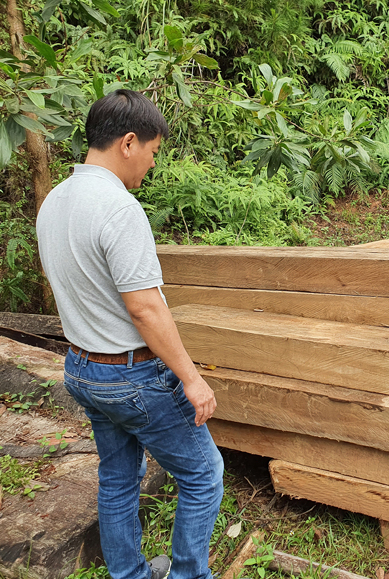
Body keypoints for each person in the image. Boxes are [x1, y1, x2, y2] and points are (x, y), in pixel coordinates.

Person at [37, 89, 224, 579]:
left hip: (82, 367)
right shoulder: (118, 209)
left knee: (119, 477)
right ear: (127, 142)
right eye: (153, 152)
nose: (151, 164)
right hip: (131, 374)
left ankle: (129, 575)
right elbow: (144, 306)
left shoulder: (55, 201)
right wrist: (191, 378)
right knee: (203, 474)